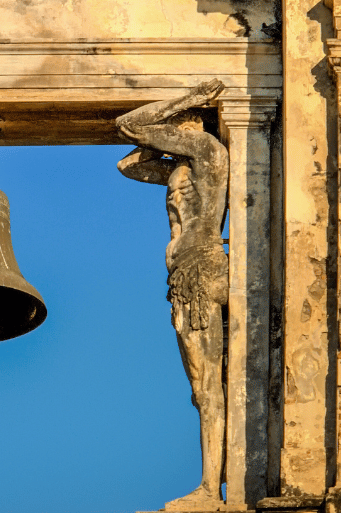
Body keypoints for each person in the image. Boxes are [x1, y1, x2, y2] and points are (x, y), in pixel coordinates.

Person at [116, 79, 228, 509]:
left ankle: (210, 488)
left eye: (175, 124)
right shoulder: (183, 167)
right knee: (202, 388)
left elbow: (130, 124)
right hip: (183, 278)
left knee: (211, 388)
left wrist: (191, 97)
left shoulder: (208, 154)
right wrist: (162, 140)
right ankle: (210, 483)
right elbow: (129, 166)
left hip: (201, 271)